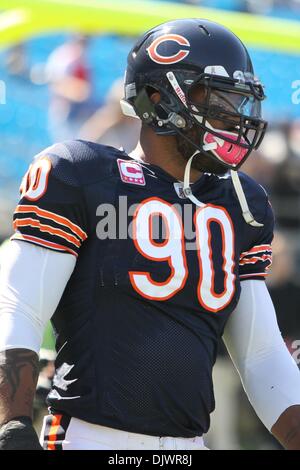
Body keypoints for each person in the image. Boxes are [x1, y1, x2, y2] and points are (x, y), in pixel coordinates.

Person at [0, 18, 300, 451]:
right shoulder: (82, 173)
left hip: (190, 446)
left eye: (240, 102)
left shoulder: (241, 203)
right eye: (219, 100)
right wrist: (13, 425)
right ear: (159, 97)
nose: (235, 118)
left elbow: (262, 354)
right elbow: (19, 307)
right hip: (89, 438)